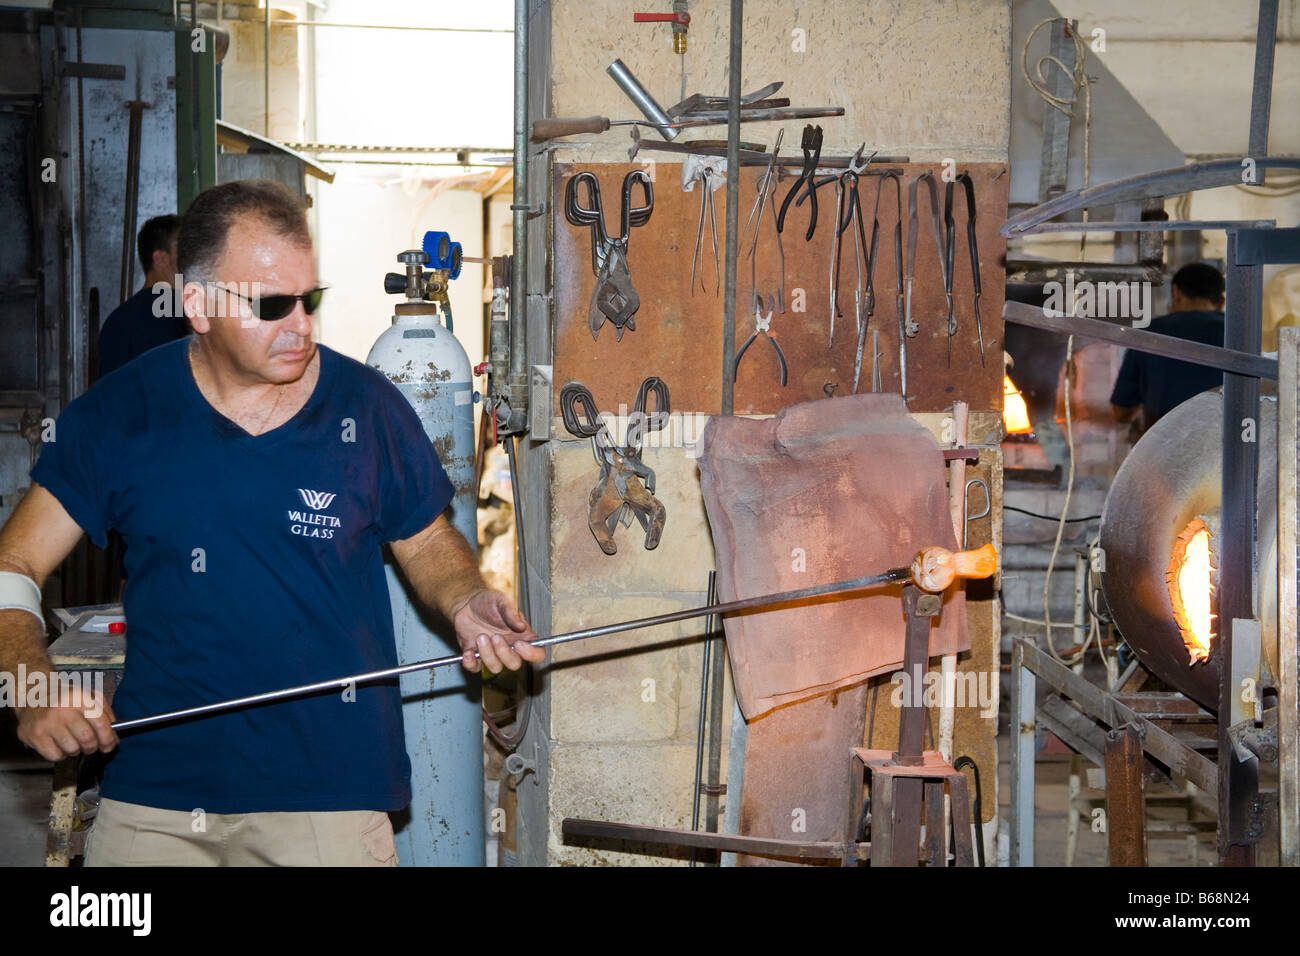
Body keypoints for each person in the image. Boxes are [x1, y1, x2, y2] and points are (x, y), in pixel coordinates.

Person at [0, 179, 543, 866]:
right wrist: (30, 684)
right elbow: (12, 566)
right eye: (272, 304)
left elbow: (427, 539)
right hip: (158, 795)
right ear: (195, 304)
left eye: (309, 299)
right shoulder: (118, 417)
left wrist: (466, 599)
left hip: (328, 797)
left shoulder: (368, 407)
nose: (302, 325)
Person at [1110, 262, 1226, 434]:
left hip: (1165, 449)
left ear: (1175, 293)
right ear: (1221, 301)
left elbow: (1121, 411)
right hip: (1224, 446)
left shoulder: (1150, 333)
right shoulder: (1240, 334)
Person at [97, 215, 191, 378]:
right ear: (161, 259)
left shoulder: (117, 320)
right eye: (185, 251)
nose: (193, 260)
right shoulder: (181, 313)